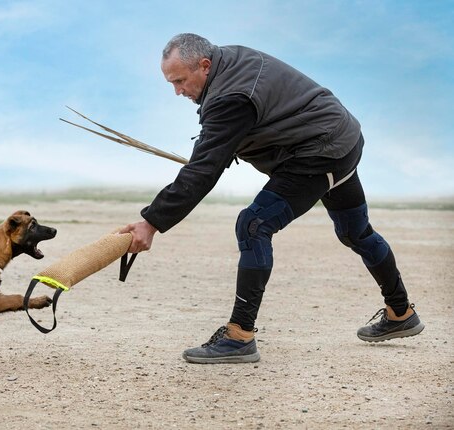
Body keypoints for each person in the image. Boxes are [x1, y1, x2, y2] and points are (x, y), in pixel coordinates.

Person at [120, 33, 424, 364]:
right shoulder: (231, 59)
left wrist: (151, 222)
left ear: (204, 66)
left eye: (179, 81)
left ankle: (239, 337)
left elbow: (204, 170)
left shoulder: (230, 97)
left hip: (320, 153)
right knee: (355, 231)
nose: (177, 91)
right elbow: (226, 139)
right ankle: (400, 313)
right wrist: (219, 151)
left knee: (253, 225)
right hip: (342, 137)